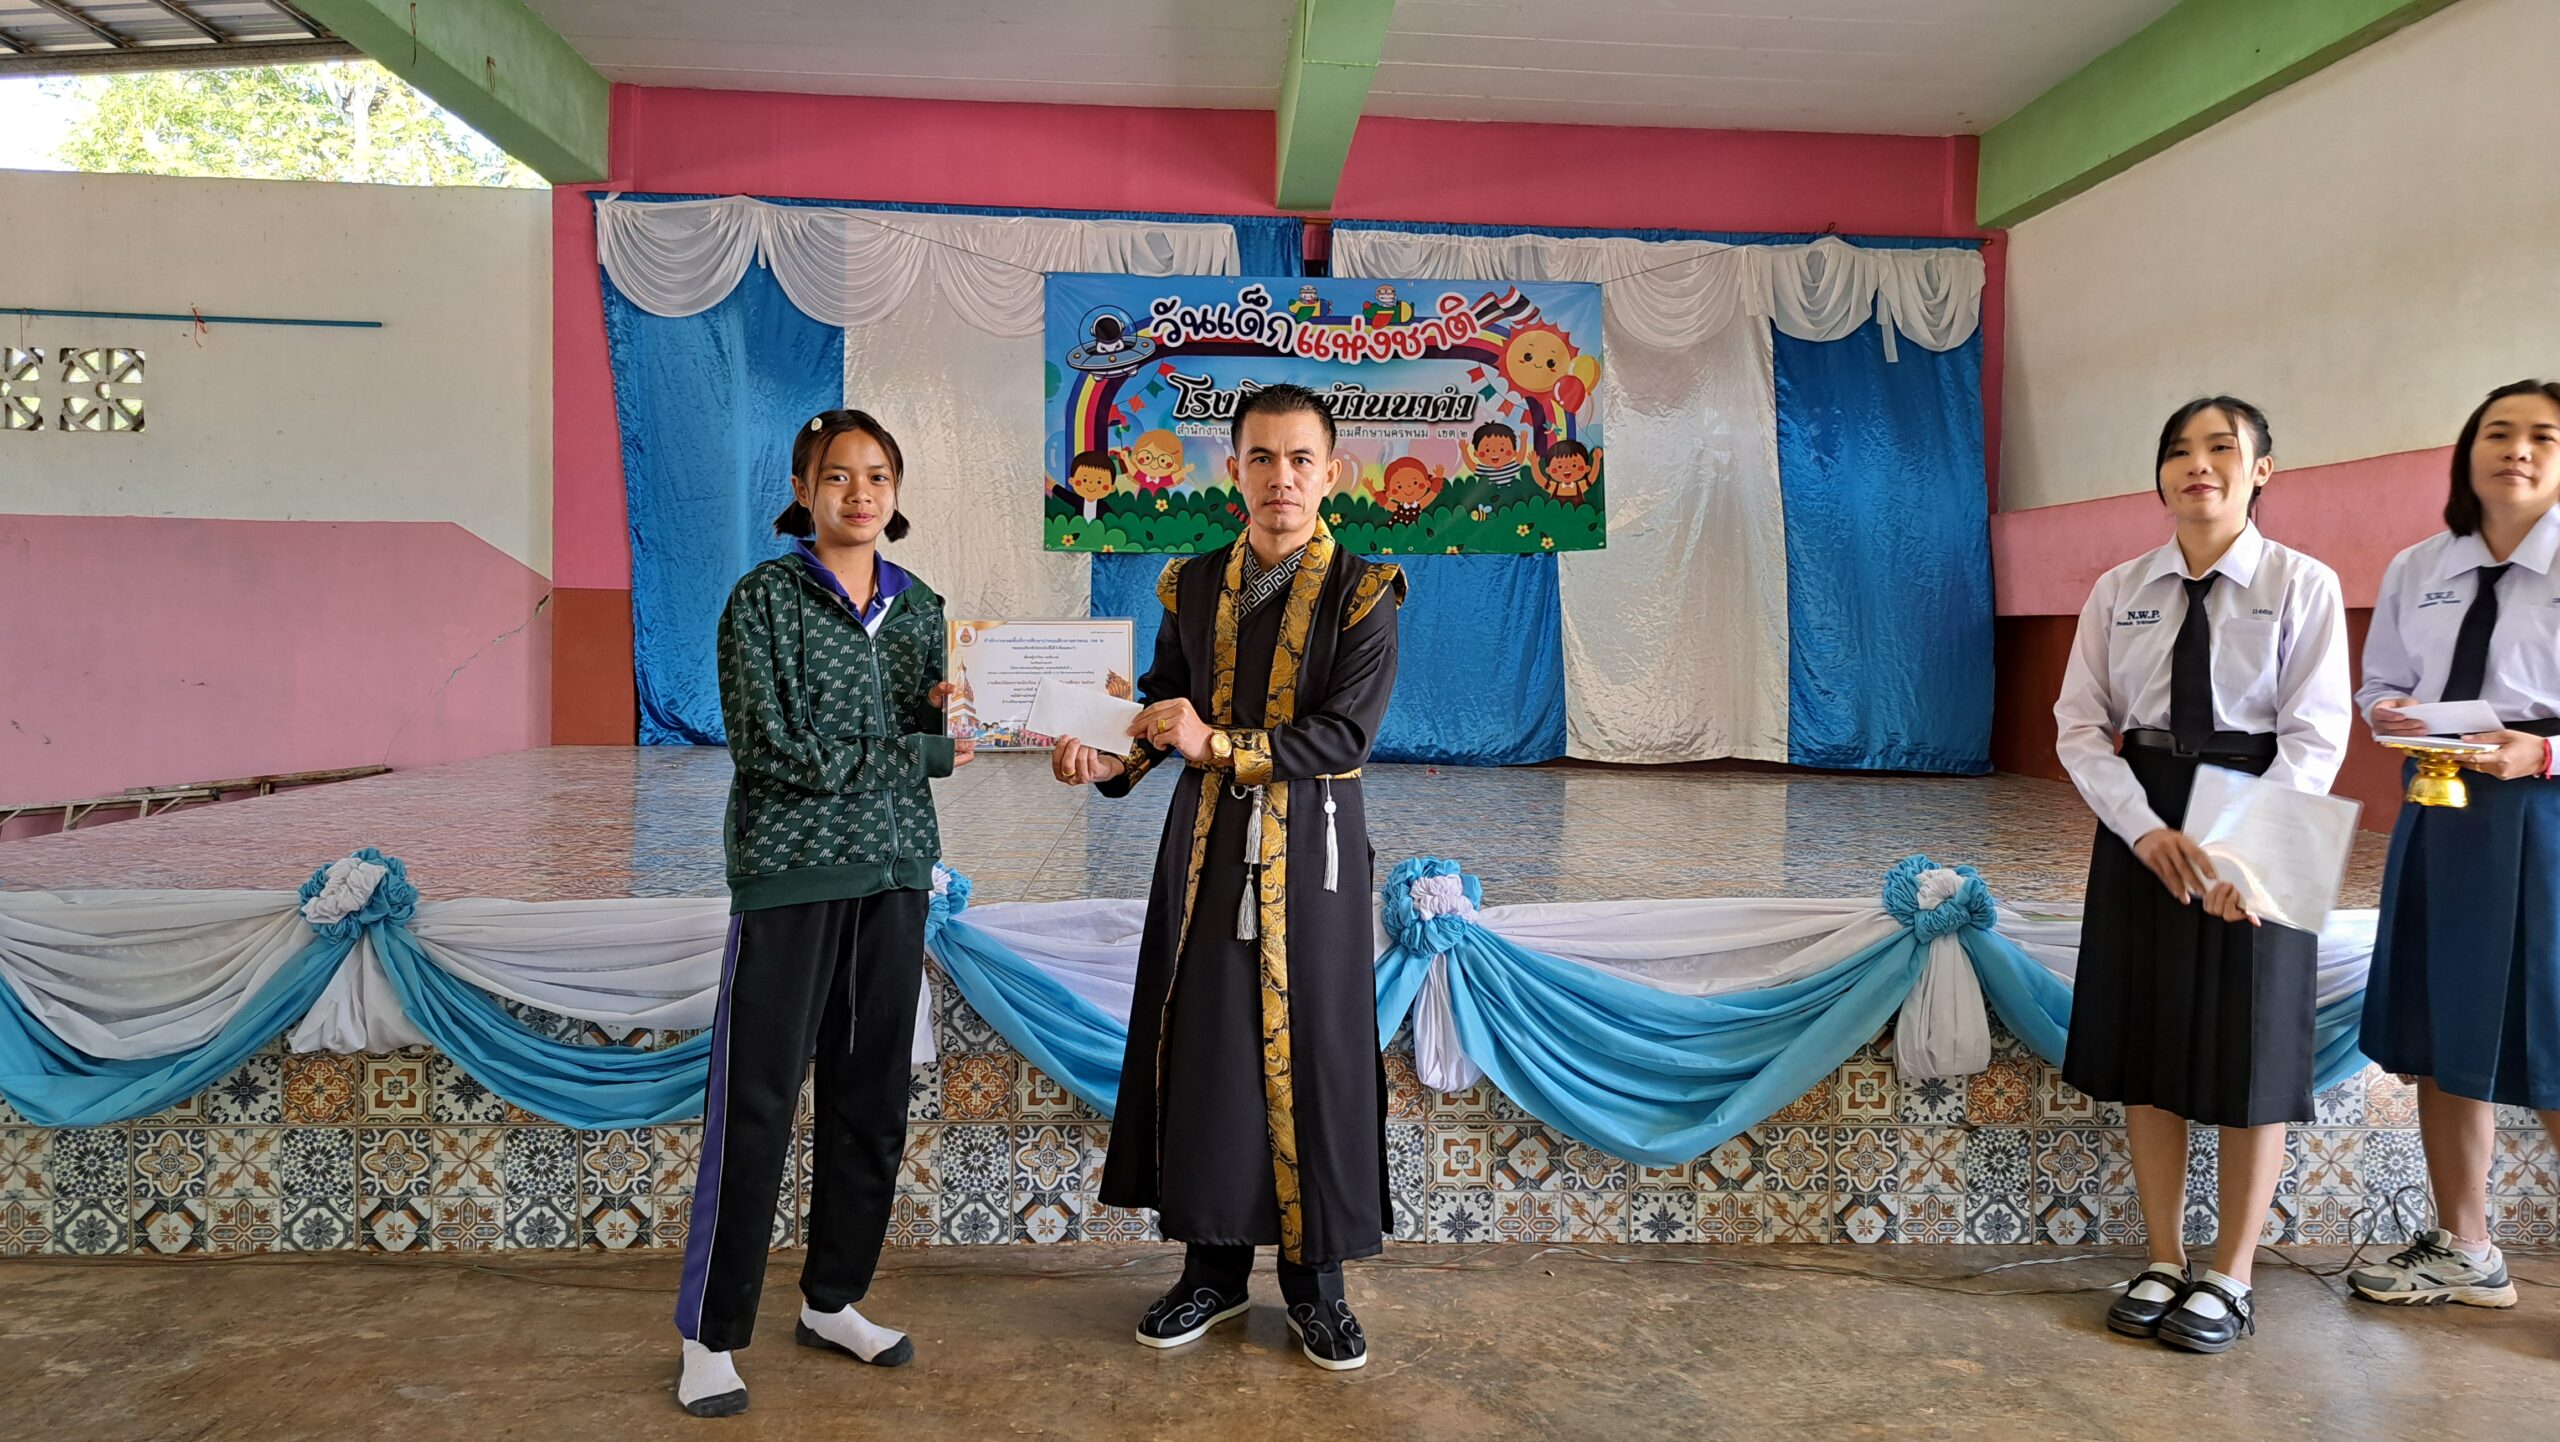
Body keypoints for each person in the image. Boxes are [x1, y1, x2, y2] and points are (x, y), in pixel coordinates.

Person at [1051, 383, 1404, 1372]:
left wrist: (1217, 744)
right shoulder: (1192, 582)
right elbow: (1166, 706)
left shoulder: (1366, 592)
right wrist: (1108, 756)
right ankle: (1210, 1268)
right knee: (1208, 1040)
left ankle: (1317, 1285)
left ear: (1331, 473)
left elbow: (1343, 735)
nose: (1280, 477)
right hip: (1206, 846)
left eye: (1300, 459)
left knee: (1317, 1049)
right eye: (1261, 457)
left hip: (1314, 855)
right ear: (1232, 468)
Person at [674, 409, 973, 1417]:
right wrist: (921, 750)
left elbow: (936, 732)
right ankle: (711, 1334)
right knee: (756, 1105)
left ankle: (833, 1298)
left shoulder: (921, 607)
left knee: (872, 1099)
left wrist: (978, 714)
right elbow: (768, 750)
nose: (859, 492)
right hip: (791, 878)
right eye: (837, 475)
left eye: (877, 474)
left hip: (894, 876)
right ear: (802, 490)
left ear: (896, 491)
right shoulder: (763, 600)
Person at [2052, 396, 2351, 1353]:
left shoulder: (2303, 583)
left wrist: (2246, 853)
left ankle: (2232, 1273)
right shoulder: (2120, 589)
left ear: (2262, 470)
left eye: (2223, 448)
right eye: (2178, 450)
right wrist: (2144, 831)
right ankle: (2161, 1256)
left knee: (2254, 1046)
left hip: (2270, 805)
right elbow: (2078, 726)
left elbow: (2317, 735)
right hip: (2145, 817)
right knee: (2149, 1041)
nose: (2198, 466)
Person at [2349, 379, 2560, 1310]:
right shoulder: (2419, 567)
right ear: (2468, 452)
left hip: (2545, 815)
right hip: (2441, 804)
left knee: (2551, 1034)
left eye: (2544, 436)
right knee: (2443, 1028)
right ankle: (2467, 1248)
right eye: (2498, 432)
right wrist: (2391, 714)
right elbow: (2378, 686)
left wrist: (2541, 752)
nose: (2519, 449)